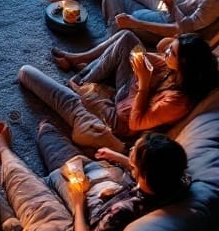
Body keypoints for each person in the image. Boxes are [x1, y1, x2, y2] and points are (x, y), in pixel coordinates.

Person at [0, 121, 190, 231]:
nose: (130, 151)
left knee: (23, 184)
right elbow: (150, 168)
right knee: (47, 130)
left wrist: (78, 201)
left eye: (133, 153)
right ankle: (47, 159)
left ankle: (4, 151)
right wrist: (119, 158)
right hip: (105, 185)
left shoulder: (122, 214)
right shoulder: (175, 181)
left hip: (82, 217)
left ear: (143, 174)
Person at [18, 31, 219, 151]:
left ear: (185, 64)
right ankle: (79, 63)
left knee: (26, 73)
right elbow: (154, 52)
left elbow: (135, 122)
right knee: (127, 38)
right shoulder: (173, 69)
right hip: (127, 92)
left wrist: (144, 82)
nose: (167, 52)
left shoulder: (177, 102)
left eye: (172, 53)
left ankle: (80, 85)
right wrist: (147, 61)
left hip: (120, 119)